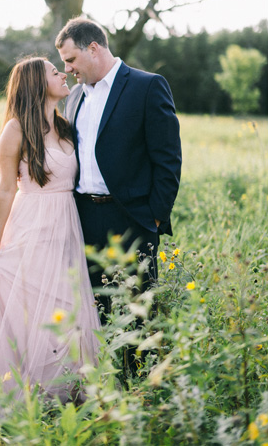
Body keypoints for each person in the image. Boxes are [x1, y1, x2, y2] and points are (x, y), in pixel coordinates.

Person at [0, 57, 100, 411]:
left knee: (64, 303)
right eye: (54, 72)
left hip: (65, 224)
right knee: (32, 304)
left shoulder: (65, 125)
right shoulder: (15, 130)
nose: (63, 74)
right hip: (31, 222)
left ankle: (65, 387)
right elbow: (4, 190)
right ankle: (23, 391)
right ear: (35, 84)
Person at [55, 17, 182, 322]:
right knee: (94, 309)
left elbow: (168, 158)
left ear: (94, 48)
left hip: (131, 218)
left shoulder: (147, 85)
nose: (68, 69)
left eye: (71, 59)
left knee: (139, 310)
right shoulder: (73, 97)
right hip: (83, 217)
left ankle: (140, 371)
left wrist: (154, 216)